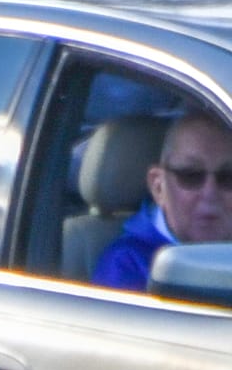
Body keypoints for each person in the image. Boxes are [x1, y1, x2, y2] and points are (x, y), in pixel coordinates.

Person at [93, 110, 232, 291]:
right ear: (158, 187)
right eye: (190, 175)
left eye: (228, 177)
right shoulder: (127, 264)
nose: (210, 192)